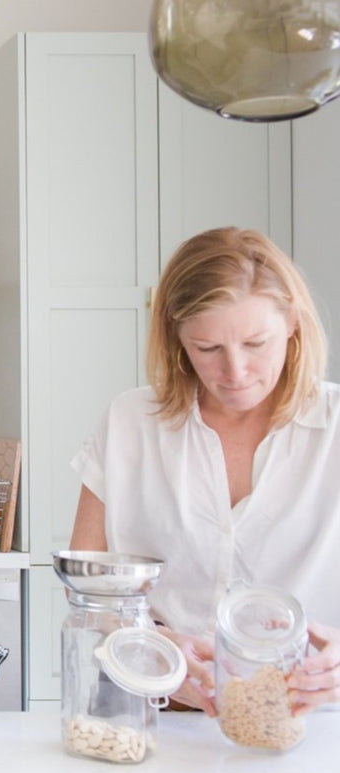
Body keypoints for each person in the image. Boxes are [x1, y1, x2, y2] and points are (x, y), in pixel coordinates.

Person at [69, 227, 340, 717]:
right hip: (151, 720)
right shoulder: (130, 422)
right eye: (208, 348)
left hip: (308, 727)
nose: (235, 372)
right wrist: (151, 648)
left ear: (293, 322)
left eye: (256, 343)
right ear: (176, 338)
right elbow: (89, 589)